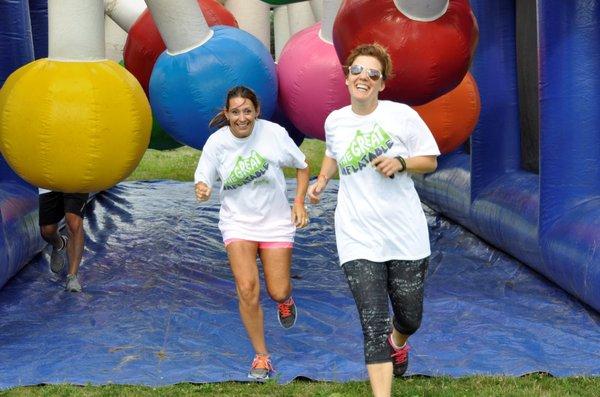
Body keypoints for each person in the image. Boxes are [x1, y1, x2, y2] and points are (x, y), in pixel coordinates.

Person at [307, 43, 440, 397]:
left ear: (382, 84)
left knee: (410, 316)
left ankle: (398, 341)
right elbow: (333, 153)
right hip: (356, 234)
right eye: (357, 71)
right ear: (347, 76)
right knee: (372, 321)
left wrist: (401, 162)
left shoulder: (401, 117)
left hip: (404, 232)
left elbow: (430, 160)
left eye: (373, 74)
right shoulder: (334, 120)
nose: (363, 77)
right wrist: (322, 180)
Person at [194, 86, 310, 381]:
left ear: (257, 112)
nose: (242, 118)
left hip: (275, 221)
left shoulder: (273, 134)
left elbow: (302, 166)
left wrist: (298, 202)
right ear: (227, 114)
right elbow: (204, 174)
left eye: (247, 111)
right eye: (235, 112)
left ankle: (285, 301)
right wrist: (203, 187)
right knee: (247, 288)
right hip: (238, 223)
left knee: (278, 290)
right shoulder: (217, 142)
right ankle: (261, 356)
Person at [39, 188, 88, 292]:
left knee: (74, 222)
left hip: (76, 179)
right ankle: (60, 243)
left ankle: (72, 277)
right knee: (47, 231)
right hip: (49, 181)